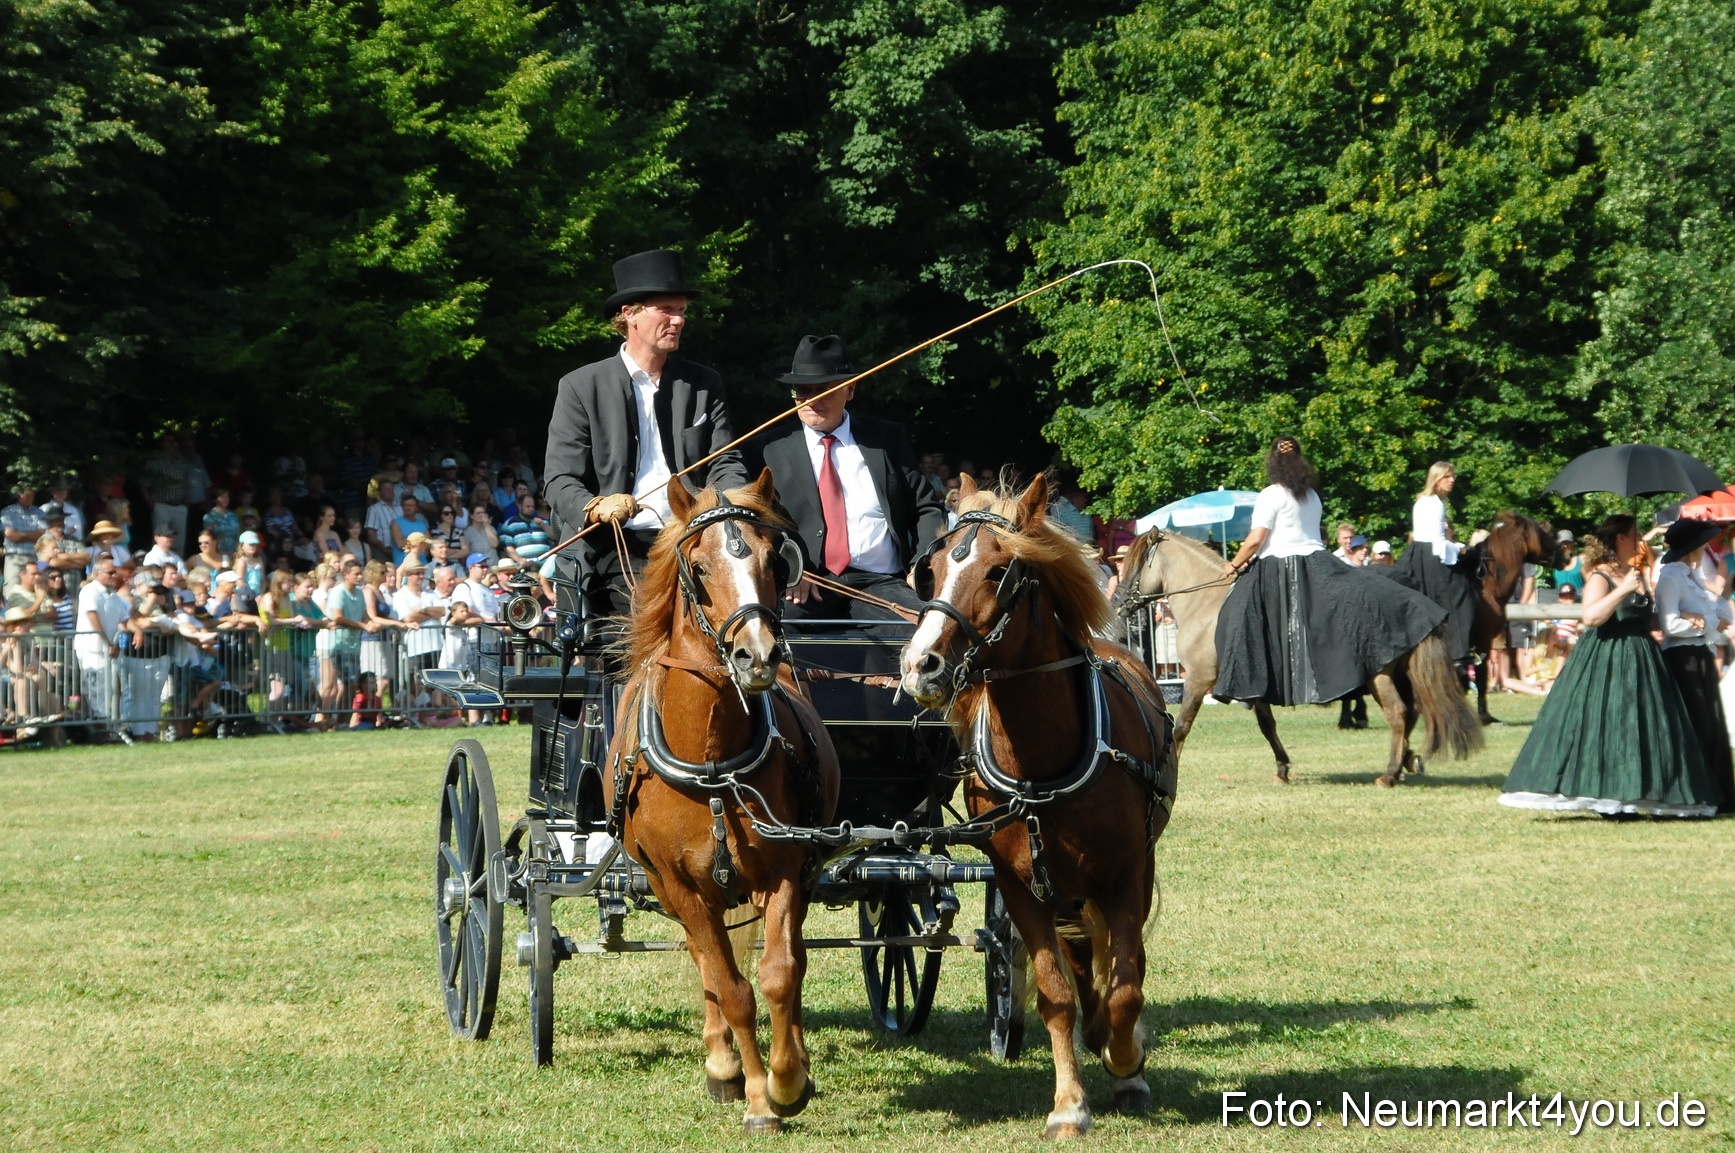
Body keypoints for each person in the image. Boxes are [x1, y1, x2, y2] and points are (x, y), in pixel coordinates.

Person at [542, 249, 749, 621]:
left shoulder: (703, 383)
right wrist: (595, 507)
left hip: (694, 540)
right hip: (619, 548)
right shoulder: (580, 386)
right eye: (667, 309)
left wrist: (729, 507)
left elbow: (725, 462)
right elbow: (559, 480)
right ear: (630, 314)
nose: (679, 319)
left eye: (683, 310)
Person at [1500, 515, 1720, 818]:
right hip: (1605, 655)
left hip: (1642, 656)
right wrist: (1621, 590)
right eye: (1635, 533)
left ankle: (1636, 793)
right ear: (1620, 538)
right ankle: (1605, 796)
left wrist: (1683, 614)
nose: (1640, 537)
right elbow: (1591, 617)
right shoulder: (1601, 575)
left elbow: (1647, 619)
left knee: (1639, 726)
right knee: (1606, 723)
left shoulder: (1636, 573)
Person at [1213, 436, 1446, 706]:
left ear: (1273, 462)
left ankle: (1247, 683)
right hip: (1319, 563)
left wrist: (1232, 564)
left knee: (1241, 612)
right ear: (1300, 462)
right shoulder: (1312, 495)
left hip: (1277, 566)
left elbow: (1256, 540)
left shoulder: (1271, 494)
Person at [759, 334, 944, 619]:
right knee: (780, 636)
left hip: (883, 582)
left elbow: (927, 508)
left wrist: (922, 565)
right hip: (805, 584)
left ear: (850, 390)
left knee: (921, 633)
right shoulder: (767, 449)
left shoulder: (886, 439)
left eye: (823, 390)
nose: (811, 400)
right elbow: (757, 523)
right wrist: (791, 569)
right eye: (802, 391)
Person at [1653, 517, 1735, 813]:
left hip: (1700, 654)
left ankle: (1717, 793)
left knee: (1712, 724)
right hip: (1681, 657)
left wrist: (1710, 621)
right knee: (1697, 724)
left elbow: (1713, 610)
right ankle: (1692, 794)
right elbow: (1669, 624)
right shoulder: (1671, 577)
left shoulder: (1693, 575)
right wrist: (1701, 625)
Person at [1386, 461, 1479, 664]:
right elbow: (1438, 544)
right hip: (1432, 557)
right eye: (1447, 477)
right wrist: (1461, 549)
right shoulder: (1436, 504)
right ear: (1436, 480)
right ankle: (1458, 652)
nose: (1452, 480)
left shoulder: (1421, 501)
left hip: (1416, 554)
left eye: (1452, 476)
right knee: (1462, 594)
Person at [2, 485, 47, 594]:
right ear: (18, 495)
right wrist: (32, 535)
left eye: (31, 495)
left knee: (37, 587)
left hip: (35, 556)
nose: (29, 498)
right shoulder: (7, 512)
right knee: (11, 587)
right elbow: (11, 536)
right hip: (14, 557)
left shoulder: (39, 512)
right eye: (26, 495)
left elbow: (43, 534)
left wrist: (21, 534)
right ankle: (12, 610)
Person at [1552, 529, 1584, 595]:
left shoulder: (1581, 559)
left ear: (1573, 544)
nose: (1565, 546)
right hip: (1559, 602)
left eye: (1568, 542)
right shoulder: (1555, 561)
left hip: (1579, 601)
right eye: (1562, 543)